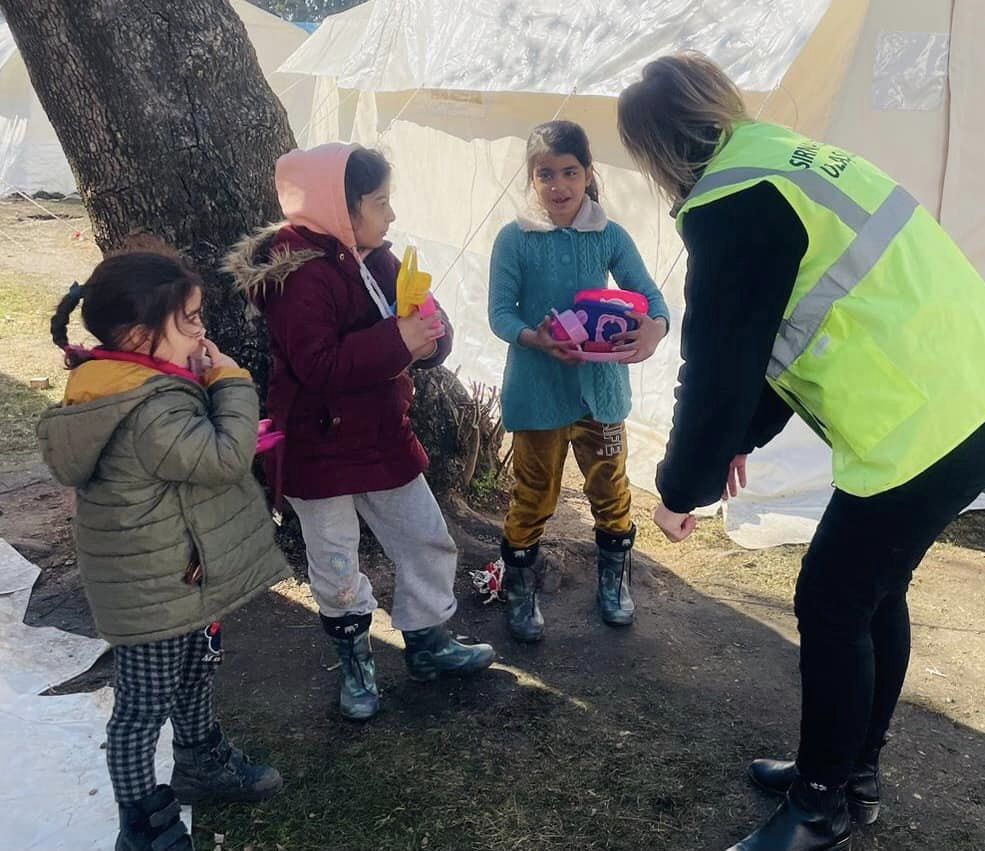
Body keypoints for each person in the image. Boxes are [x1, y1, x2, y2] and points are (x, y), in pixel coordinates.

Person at [618, 53, 985, 851]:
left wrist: (682, 486)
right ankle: (851, 771)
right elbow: (790, 330)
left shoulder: (732, 202)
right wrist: (737, 437)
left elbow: (719, 366)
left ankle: (818, 806)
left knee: (833, 598)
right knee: (869, 591)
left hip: (932, 422)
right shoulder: (778, 155)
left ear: (656, 150)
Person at [225, 144, 494, 722]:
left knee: (425, 536)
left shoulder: (375, 259)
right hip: (319, 445)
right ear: (340, 209)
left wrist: (431, 334)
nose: (391, 215)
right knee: (336, 561)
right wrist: (401, 340)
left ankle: (428, 642)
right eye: (381, 202)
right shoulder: (299, 276)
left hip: (379, 435)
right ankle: (356, 663)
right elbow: (318, 366)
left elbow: (422, 323)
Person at [38, 245, 289, 851]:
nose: (203, 330)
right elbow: (223, 459)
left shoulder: (132, 381)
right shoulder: (150, 404)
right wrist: (230, 380)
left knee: (196, 671)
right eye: (192, 318)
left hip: (181, 576)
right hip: (155, 592)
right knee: (142, 706)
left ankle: (201, 761)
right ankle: (142, 820)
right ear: (141, 334)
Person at [487, 120, 671, 642]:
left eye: (570, 172)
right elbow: (500, 314)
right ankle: (520, 592)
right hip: (537, 392)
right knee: (534, 496)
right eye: (546, 174)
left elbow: (652, 300)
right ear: (531, 178)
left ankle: (614, 584)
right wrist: (534, 338)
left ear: (588, 174)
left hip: (603, 393)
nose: (559, 185)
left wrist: (652, 331)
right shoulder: (515, 238)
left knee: (611, 491)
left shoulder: (609, 235)